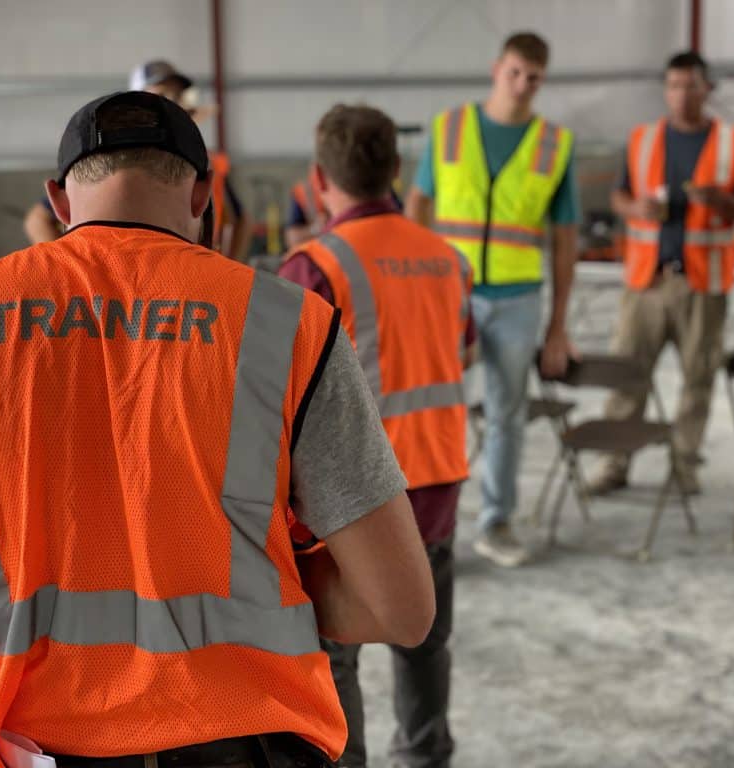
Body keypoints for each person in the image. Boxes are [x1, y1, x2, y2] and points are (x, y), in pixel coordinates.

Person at [0, 90, 436, 768]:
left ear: (58, 200)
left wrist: (8, 600)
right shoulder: (288, 326)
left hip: (35, 746)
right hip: (251, 741)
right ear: (204, 194)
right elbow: (401, 608)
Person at [279, 104, 473, 768]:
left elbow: (279, 397)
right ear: (396, 170)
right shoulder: (447, 258)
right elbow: (460, 354)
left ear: (317, 179)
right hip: (437, 481)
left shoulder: (312, 268)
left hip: (349, 504)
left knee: (334, 655)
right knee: (425, 639)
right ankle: (426, 754)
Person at [405, 31, 579, 567]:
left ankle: (496, 522)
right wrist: (415, 290)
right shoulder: (450, 129)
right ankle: (429, 531)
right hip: (449, 297)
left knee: (507, 414)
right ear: (496, 68)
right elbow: (418, 206)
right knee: (435, 412)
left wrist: (557, 326)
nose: (523, 85)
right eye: (515, 73)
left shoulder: (555, 144)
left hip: (518, 300)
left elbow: (565, 238)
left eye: (534, 78)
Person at [587, 51, 734, 496]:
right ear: (666, 90)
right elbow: (620, 196)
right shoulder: (643, 140)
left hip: (704, 284)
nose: (682, 95)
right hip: (647, 282)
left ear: (707, 89)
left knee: (697, 379)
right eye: (675, 86)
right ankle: (614, 462)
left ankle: (684, 465)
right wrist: (635, 208)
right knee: (628, 374)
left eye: (691, 86)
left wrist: (716, 200)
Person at [132, 58, 251, 262]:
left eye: (177, 95)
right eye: (161, 94)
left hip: (197, 274)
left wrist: (230, 266)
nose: (172, 102)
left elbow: (239, 220)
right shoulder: (119, 158)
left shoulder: (207, 161)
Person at [285, 172, 403, 249]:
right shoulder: (306, 191)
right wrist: (315, 229)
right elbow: (292, 238)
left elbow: (401, 222)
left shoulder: (380, 187)